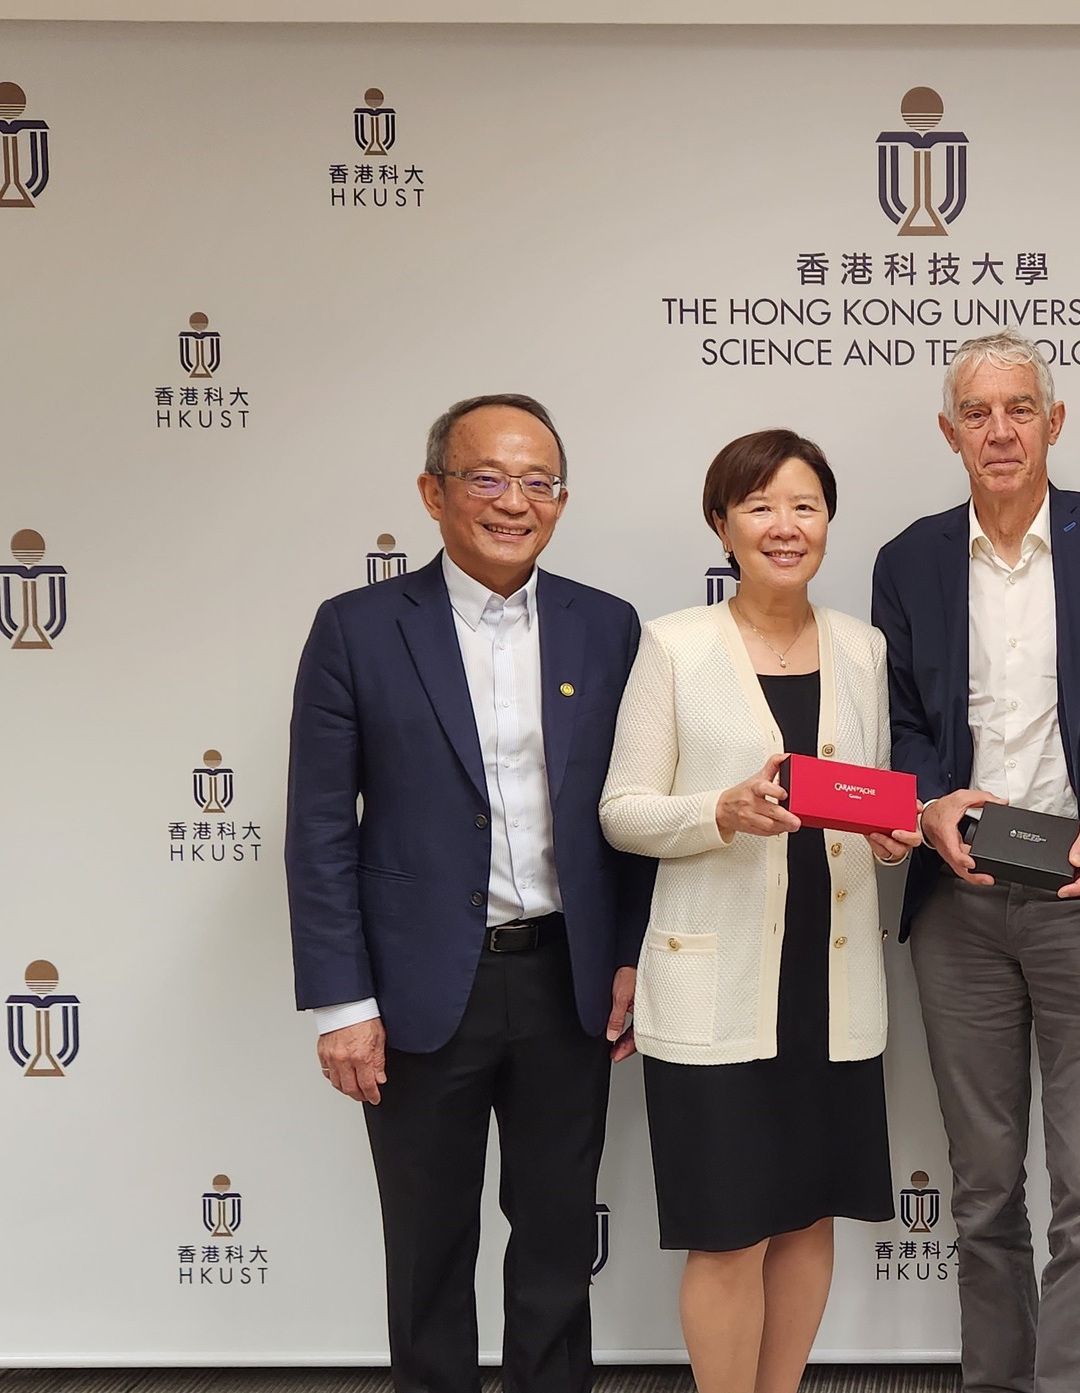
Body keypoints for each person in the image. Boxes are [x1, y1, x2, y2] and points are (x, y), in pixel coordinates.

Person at [286, 394, 654, 1393]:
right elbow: (318, 827)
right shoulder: (357, 630)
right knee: (427, 1246)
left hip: (563, 985)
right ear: (433, 493)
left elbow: (629, 814)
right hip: (412, 998)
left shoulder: (605, 626)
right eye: (486, 477)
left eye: (537, 482)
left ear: (561, 501)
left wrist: (626, 954)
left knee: (553, 1247)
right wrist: (342, 1002)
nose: (512, 501)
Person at [871, 329, 1080, 1393]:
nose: (999, 430)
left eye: (1019, 408)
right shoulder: (908, 559)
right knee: (979, 1188)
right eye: (977, 412)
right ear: (948, 431)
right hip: (958, 907)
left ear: (1053, 422)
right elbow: (903, 727)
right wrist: (927, 806)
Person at [599, 429, 920, 1393]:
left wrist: (887, 834)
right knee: (728, 1231)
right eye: (761, 507)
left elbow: (862, 797)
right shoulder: (674, 644)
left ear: (829, 520)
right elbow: (622, 810)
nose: (786, 526)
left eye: (805, 506)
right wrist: (717, 812)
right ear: (722, 524)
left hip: (831, 982)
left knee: (808, 1215)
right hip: (716, 984)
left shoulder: (864, 648)